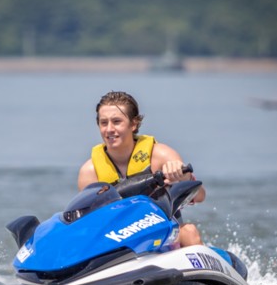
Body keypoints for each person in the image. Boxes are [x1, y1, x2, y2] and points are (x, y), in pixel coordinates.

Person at [77, 91, 206, 247]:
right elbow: (88, 225)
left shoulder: (160, 156)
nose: (109, 129)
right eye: (104, 123)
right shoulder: (90, 172)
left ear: (133, 124)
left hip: (165, 236)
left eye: (117, 121)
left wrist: (183, 177)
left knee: (189, 232)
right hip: (119, 243)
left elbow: (200, 196)